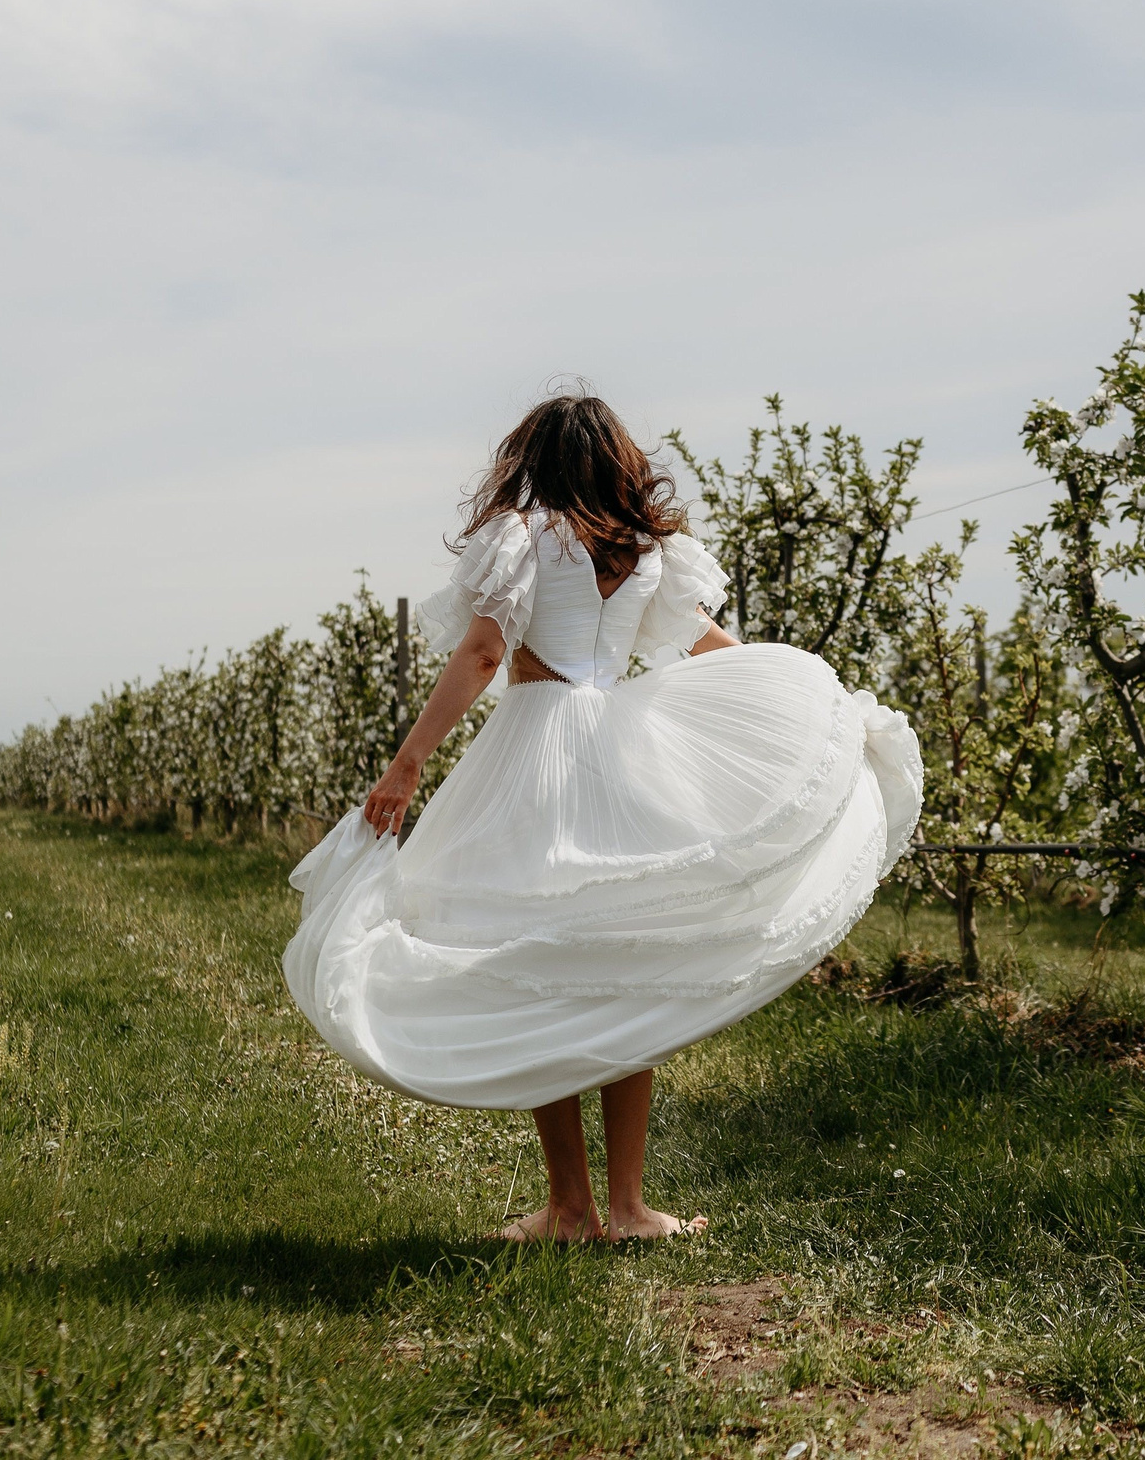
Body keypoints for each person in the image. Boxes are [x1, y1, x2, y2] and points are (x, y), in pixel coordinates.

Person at [283, 393, 922, 1242]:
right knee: (622, 955)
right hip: (627, 752)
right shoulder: (651, 552)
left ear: (534, 457)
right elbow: (709, 649)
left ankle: (570, 1207)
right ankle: (627, 1206)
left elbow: (482, 652)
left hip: (539, 747)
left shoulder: (525, 536)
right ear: (617, 460)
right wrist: (819, 708)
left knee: (542, 950)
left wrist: (408, 763)